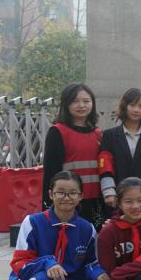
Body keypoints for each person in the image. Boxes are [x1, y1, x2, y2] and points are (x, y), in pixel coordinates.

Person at [42, 83, 103, 227]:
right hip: (68, 200)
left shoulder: (98, 134)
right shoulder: (57, 132)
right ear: (66, 104)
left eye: (86, 101)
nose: (81, 105)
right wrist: (48, 204)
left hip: (95, 200)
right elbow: (51, 171)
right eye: (75, 101)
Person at [99, 88, 141, 210]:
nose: (136, 110)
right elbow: (105, 166)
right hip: (118, 198)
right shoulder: (109, 136)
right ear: (124, 106)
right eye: (132, 105)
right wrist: (109, 191)